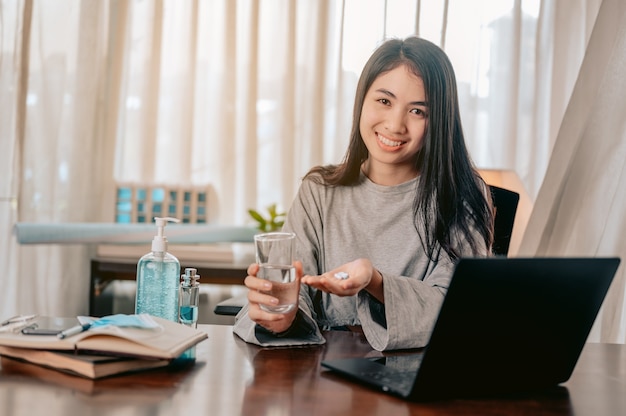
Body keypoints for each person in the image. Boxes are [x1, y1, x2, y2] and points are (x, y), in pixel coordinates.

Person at [234, 36, 494, 351]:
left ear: (439, 120)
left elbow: (460, 310)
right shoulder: (319, 192)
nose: (395, 125)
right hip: (320, 378)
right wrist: (282, 315)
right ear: (362, 101)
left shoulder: (460, 195)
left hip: (416, 379)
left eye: (417, 111)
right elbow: (288, 292)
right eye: (384, 101)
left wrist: (375, 282)